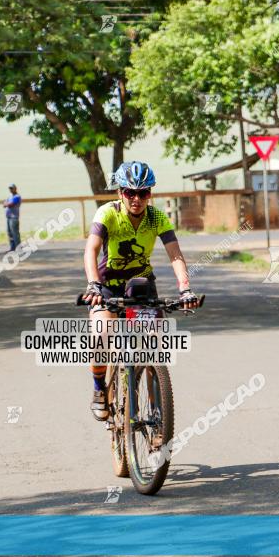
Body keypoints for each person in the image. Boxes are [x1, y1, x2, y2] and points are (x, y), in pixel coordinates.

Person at [81, 161, 199, 421]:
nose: (136, 199)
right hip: (107, 287)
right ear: (120, 192)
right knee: (100, 334)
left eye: (143, 192)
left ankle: (158, 413)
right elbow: (91, 249)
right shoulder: (107, 213)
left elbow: (175, 255)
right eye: (130, 192)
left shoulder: (157, 217)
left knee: (152, 347)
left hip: (141, 285)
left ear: (150, 193)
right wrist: (93, 284)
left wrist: (185, 288)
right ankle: (100, 389)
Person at [2, 183, 21, 252]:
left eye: (12, 188)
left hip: (14, 218)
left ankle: (18, 248)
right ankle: (12, 248)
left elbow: (11, 204)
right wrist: (6, 203)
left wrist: (6, 204)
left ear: (15, 188)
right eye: (10, 188)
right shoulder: (10, 197)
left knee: (15, 233)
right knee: (10, 233)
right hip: (9, 217)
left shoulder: (17, 196)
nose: (10, 190)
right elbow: (4, 203)